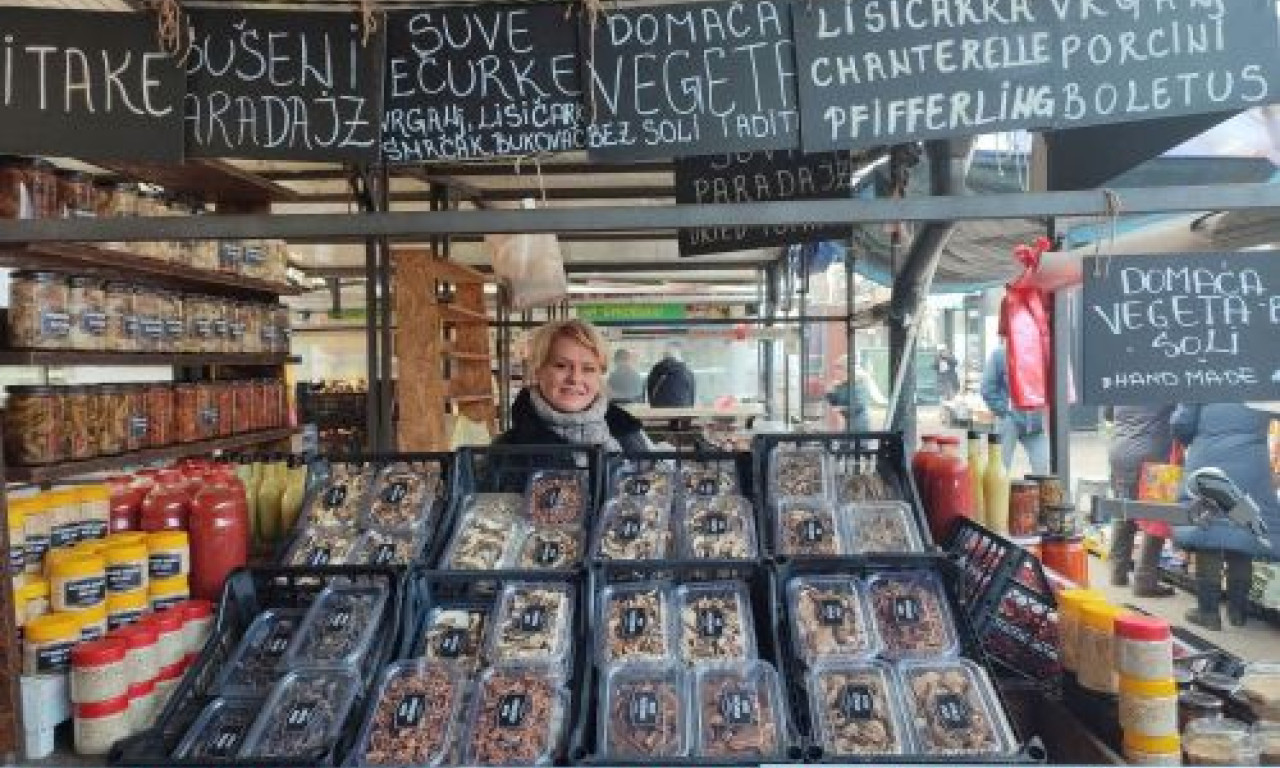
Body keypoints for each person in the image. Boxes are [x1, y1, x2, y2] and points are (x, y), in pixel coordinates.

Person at [1170, 403, 1279, 630]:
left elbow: (1182, 423)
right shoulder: (1257, 376)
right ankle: (1237, 612)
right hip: (1251, 464)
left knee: (1208, 530)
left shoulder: (1204, 375)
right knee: (1243, 530)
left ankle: (1208, 613)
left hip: (1208, 459)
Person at [495, 319, 651, 452]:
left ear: (599, 376)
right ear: (537, 371)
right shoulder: (506, 451)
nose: (575, 378)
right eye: (561, 365)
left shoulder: (631, 435)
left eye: (588, 368)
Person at [1106, 405, 1177, 597]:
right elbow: (1181, 418)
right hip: (1153, 454)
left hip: (1120, 451)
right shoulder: (1164, 379)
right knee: (1155, 516)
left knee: (1124, 509)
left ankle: (1117, 573)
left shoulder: (1123, 378)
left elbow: (1108, 414)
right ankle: (1144, 582)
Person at [980, 342, 1050, 475]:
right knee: (1000, 467)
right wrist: (1004, 410)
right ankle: (998, 495)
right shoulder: (1000, 354)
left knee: (1042, 467)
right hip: (1009, 419)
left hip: (1036, 422)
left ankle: (1036, 495)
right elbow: (987, 388)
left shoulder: (1042, 353)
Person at [825, 356, 887, 432]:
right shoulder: (841, 385)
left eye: (837, 368)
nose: (834, 372)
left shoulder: (858, 384)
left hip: (858, 425)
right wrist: (830, 393)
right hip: (847, 424)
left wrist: (843, 409)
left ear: (845, 370)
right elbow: (835, 403)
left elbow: (859, 405)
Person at [646, 342, 696, 407]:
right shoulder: (687, 373)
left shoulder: (655, 370)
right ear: (679, 356)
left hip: (658, 414)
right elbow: (691, 399)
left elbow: (650, 396)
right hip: (683, 414)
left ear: (665, 355)